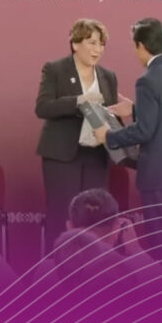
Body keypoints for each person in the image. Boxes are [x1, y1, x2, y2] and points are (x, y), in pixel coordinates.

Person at [94, 18, 162, 265]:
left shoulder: (147, 79)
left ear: (141, 45)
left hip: (158, 174)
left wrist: (108, 136)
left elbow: (144, 131)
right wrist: (136, 109)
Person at [35, 19, 118, 250]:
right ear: (75, 44)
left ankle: (95, 264)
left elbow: (110, 115)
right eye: (92, 42)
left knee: (96, 218)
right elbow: (42, 107)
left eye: (101, 44)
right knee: (62, 215)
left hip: (96, 156)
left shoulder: (108, 76)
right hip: (62, 155)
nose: (97, 49)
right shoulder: (55, 69)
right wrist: (78, 101)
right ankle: (57, 263)